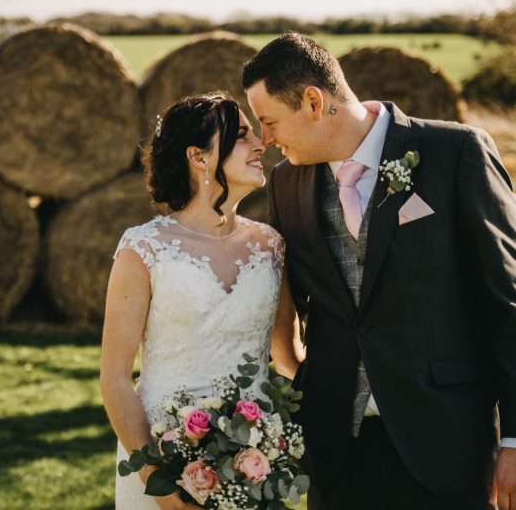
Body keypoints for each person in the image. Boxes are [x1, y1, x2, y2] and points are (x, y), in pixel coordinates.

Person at [242, 32, 516, 510]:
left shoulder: (456, 152)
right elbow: (295, 308)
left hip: (447, 443)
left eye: (269, 122)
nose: (265, 140)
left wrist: (514, 439)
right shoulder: (285, 183)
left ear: (313, 102)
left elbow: (507, 302)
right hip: (336, 452)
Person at [100, 93, 304, 510]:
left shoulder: (270, 246)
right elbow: (115, 379)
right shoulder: (143, 249)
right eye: (242, 135)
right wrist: (157, 480)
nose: (260, 144)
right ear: (198, 156)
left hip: (252, 459)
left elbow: (287, 356)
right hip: (160, 453)